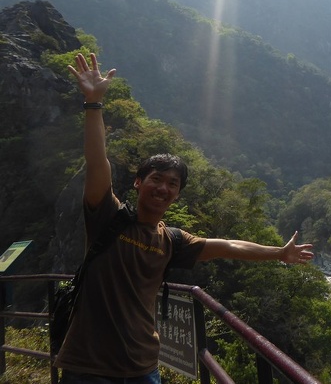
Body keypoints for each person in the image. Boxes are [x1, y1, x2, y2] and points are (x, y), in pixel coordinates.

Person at [55, 52, 314, 383]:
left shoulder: (172, 241)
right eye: (156, 179)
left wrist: (278, 253)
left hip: (142, 369)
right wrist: (93, 104)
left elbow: (229, 246)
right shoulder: (107, 215)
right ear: (138, 182)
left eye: (172, 184)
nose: (163, 188)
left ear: (177, 193)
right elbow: (97, 162)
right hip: (88, 368)